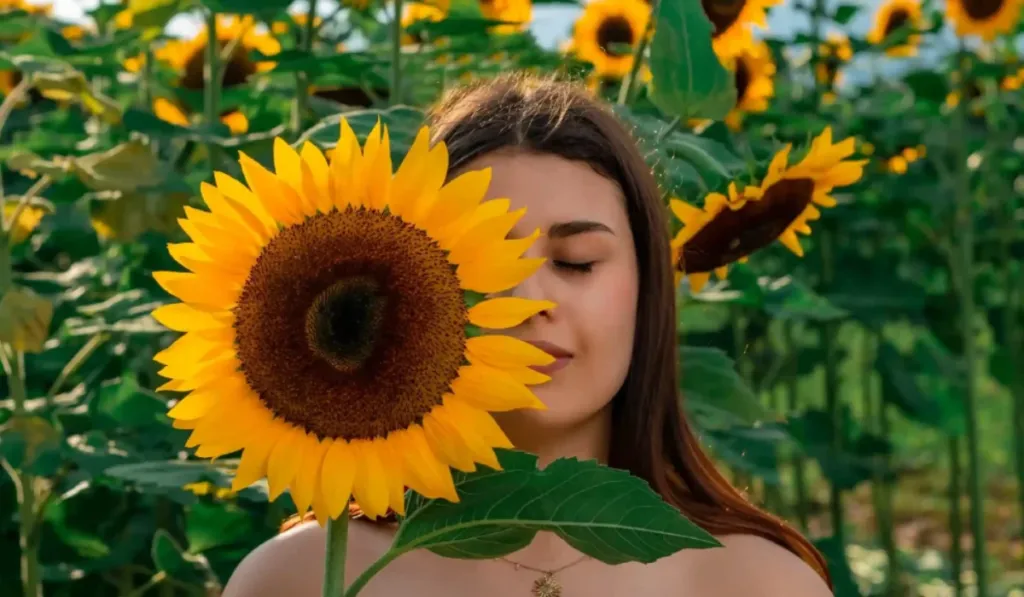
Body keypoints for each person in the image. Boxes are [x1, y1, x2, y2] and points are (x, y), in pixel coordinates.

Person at [221, 72, 834, 597]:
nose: (529, 300)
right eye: (483, 265)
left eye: (576, 262)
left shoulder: (758, 583)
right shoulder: (300, 578)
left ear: (648, 290)